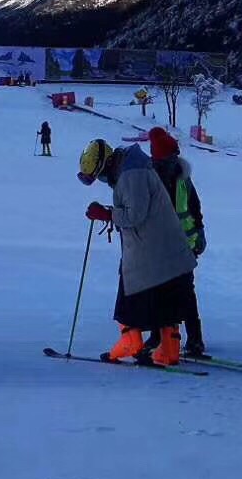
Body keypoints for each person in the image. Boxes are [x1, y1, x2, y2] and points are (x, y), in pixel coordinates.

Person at [78, 137, 198, 367]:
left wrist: (107, 214)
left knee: (129, 294)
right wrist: (111, 211)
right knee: (164, 296)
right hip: (163, 248)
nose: (103, 180)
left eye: (100, 175)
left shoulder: (131, 175)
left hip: (148, 250)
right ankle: (169, 349)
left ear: (105, 165)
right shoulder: (133, 168)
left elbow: (135, 215)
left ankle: (130, 342)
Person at [149, 127, 210, 358]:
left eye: (174, 156)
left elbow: (194, 207)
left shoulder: (183, 178)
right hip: (161, 246)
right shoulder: (152, 178)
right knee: (160, 291)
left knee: (183, 291)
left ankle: (194, 339)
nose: (173, 162)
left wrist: (201, 232)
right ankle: (159, 337)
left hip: (184, 245)